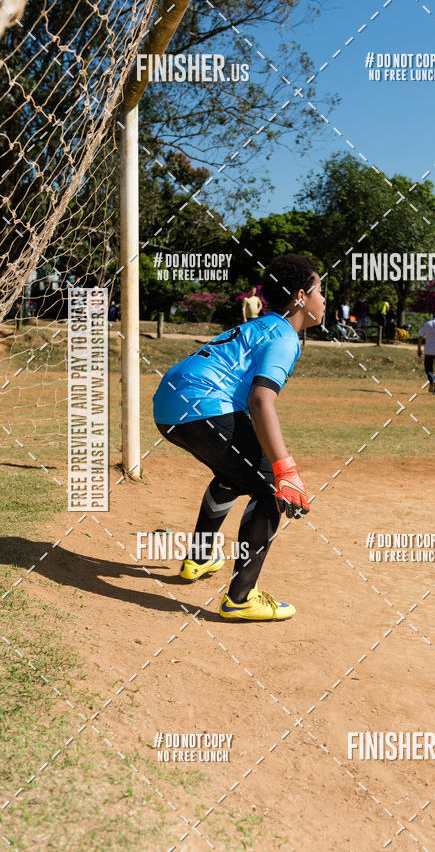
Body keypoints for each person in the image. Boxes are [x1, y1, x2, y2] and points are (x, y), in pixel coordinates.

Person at [153, 254, 325, 621]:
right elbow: (261, 401)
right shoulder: (285, 336)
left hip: (168, 407)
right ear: (300, 296)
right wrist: (284, 470)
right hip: (203, 405)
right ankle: (241, 599)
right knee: (270, 487)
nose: (323, 300)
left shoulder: (261, 326)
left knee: (234, 473)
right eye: (320, 291)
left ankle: (200, 557)